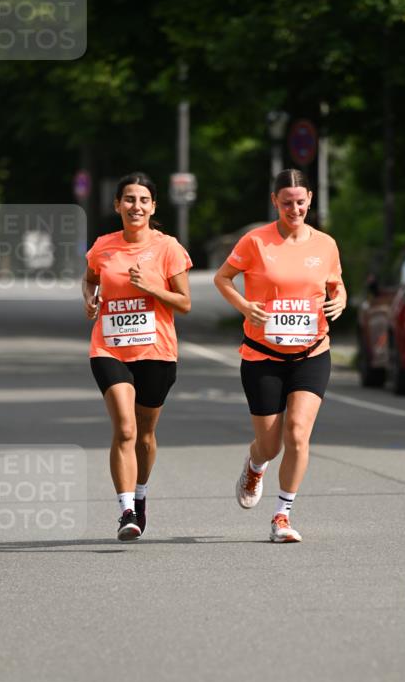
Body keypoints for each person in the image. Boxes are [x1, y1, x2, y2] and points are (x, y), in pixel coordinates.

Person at [213, 168, 346, 543]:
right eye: (287, 202)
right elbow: (222, 278)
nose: (294, 208)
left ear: (310, 201)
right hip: (262, 355)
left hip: (312, 351)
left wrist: (342, 300)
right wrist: (245, 307)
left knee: (298, 435)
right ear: (275, 202)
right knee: (270, 445)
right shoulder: (256, 242)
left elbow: (336, 284)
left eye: (300, 202)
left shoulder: (325, 244)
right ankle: (256, 465)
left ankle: (282, 516)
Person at [82, 172, 192, 541]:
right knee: (125, 428)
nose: (136, 206)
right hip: (109, 347)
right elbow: (90, 278)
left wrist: (153, 287)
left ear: (153, 206)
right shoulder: (103, 246)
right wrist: (90, 297)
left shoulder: (168, 248)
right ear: (117, 205)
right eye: (128, 199)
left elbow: (185, 303)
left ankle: (141, 495)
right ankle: (126, 509)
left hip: (156, 351)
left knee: (145, 434)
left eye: (143, 200)